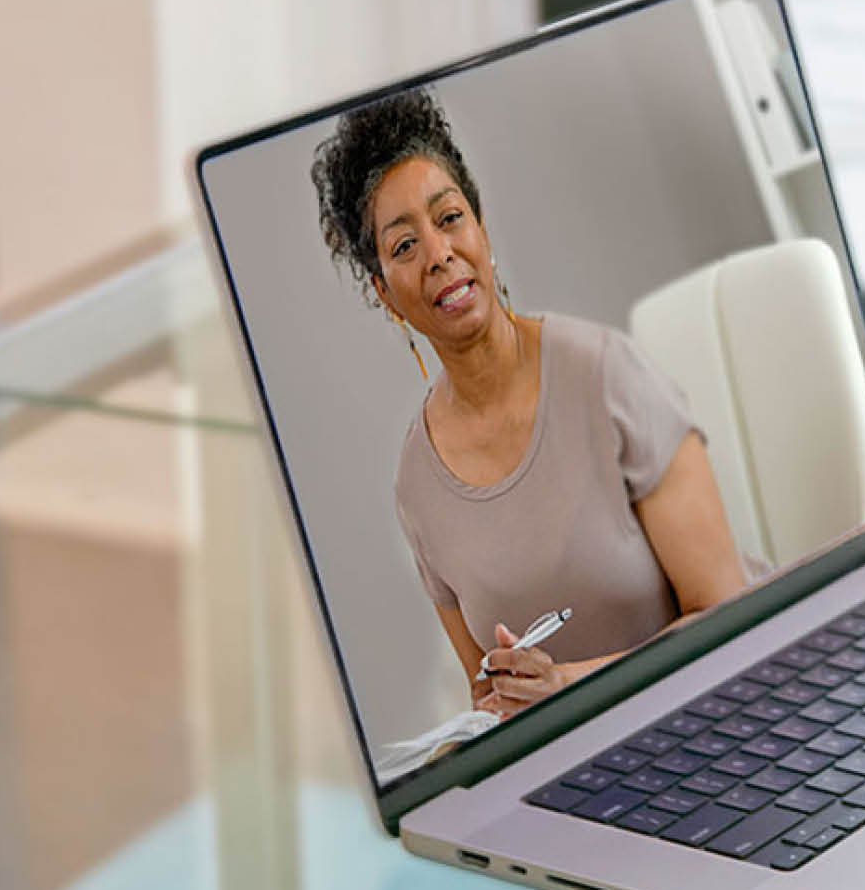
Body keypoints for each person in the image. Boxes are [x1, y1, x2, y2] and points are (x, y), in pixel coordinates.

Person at [313, 90, 751, 720]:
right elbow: (488, 702)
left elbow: (729, 621)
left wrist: (571, 688)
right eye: (404, 246)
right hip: (581, 775)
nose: (438, 255)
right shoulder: (417, 486)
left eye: (449, 218)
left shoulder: (606, 375)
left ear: (482, 229)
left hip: (727, 717)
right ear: (385, 293)